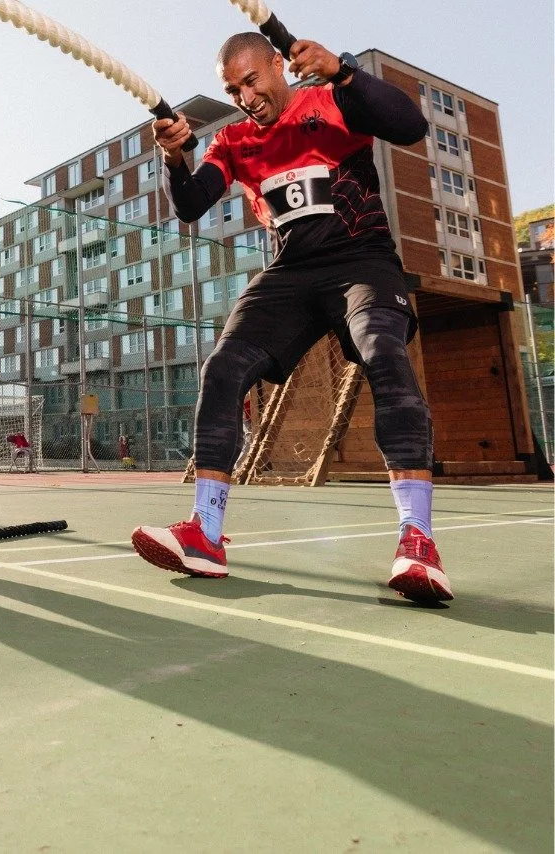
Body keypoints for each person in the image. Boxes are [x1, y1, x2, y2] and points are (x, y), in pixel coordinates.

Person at [132, 34, 452, 604]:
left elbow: (409, 127)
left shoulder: (328, 100)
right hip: (291, 271)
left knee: (383, 351)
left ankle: (419, 542)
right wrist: (175, 156)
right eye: (233, 89)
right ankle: (205, 534)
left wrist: (344, 71)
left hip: (362, 259)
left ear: (277, 66)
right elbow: (189, 203)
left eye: (252, 81)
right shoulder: (232, 140)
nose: (245, 96)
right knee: (224, 368)